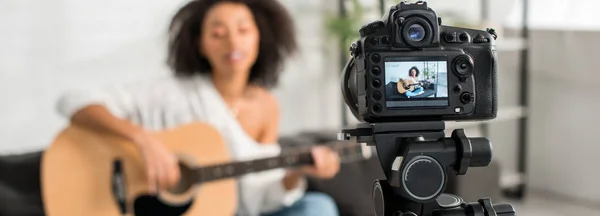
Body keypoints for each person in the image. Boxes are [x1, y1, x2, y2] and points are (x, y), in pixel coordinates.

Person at [55, 0, 340, 216]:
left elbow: (259, 200)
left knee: (318, 206)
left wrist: (296, 173)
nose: (233, 41)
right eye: (218, 33)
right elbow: (75, 99)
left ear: (260, 37)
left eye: (243, 30)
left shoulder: (267, 106)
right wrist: (142, 139)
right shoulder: (169, 92)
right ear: (200, 44)